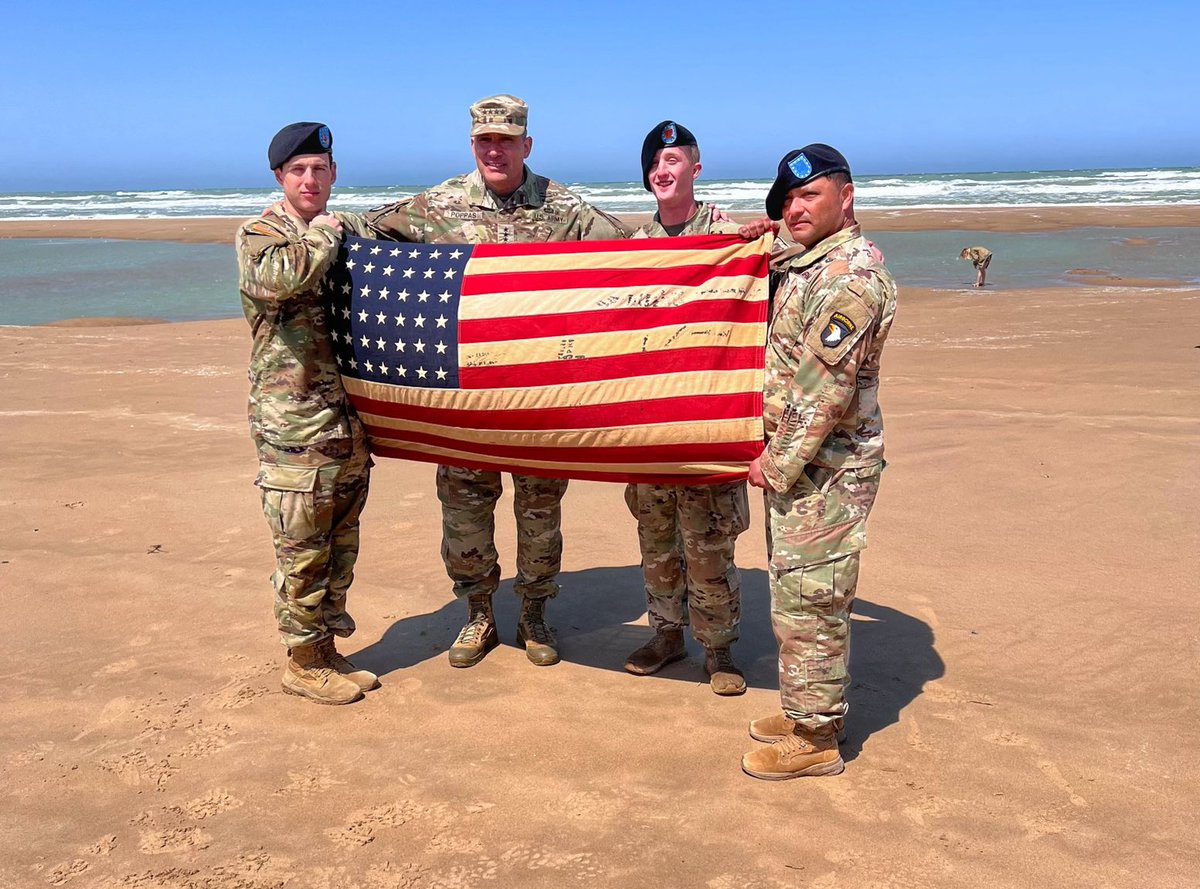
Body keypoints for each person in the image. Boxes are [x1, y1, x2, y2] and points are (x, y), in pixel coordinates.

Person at [364, 95, 629, 669]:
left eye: (506, 141)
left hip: (537, 403)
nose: (495, 150)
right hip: (463, 400)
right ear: (473, 145)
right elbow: (364, 236)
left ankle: (534, 611)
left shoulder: (565, 210)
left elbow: (643, 254)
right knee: (464, 513)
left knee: (540, 512)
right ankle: (478, 613)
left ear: (525, 146)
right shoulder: (438, 205)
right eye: (485, 140)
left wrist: (727, 244)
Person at [738, 144, 897, 778]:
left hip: (825, 469)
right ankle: (809, 709)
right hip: (807, 469)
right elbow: (771, 259)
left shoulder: (850, 278)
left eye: (810, 196)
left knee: (813, 600)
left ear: (846, 197)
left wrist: (774, 465)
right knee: (796, 595)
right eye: (787, 200)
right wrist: (759, 234)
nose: (795, 208)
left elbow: (822, 392)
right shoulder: (811, 262)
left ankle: (817, 740)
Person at [236, 122, 379, 705]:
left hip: (343, 423)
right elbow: (281, 279)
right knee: (300, 547)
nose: (310, 178)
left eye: (320, 169)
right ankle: (300, 661)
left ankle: (324, 648)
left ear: (334, 174)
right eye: (298, 170)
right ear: (279, 177)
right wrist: (324, 235)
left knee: (339, 543)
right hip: (291, 427)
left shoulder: (341, 228)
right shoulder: (260, 233)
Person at [621, 121, 750, 695]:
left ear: (695, 169)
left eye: (673, 160)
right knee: (657, 537)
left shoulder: (724, 234)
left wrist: (764, 237)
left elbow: (772, 273)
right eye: (654, 165)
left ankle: (718, 648)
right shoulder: (633, 245)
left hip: (705, 417)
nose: (662, 171)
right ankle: (666, 633)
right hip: (650, 422)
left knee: (707, 539)